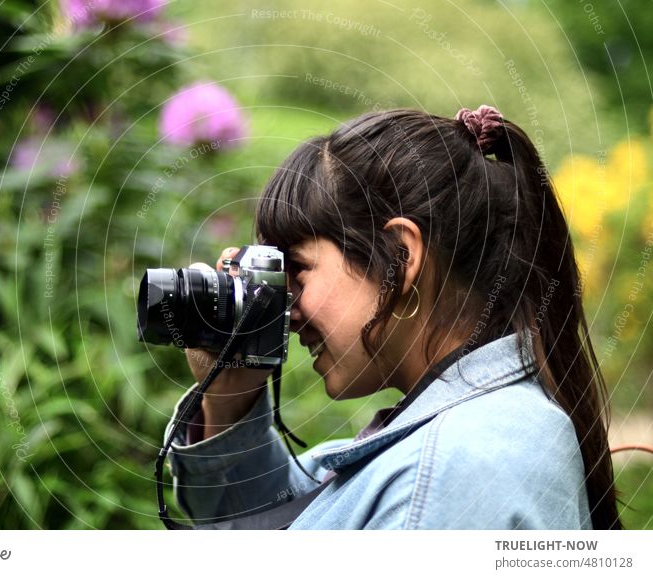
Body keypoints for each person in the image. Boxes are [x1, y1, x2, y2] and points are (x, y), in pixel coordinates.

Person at [163, 105, 621, 529]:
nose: (287, 308)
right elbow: (268, 522)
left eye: (296, 269)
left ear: (400, 257)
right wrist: (229, 395)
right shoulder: (470, 434)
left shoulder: (446, 468)